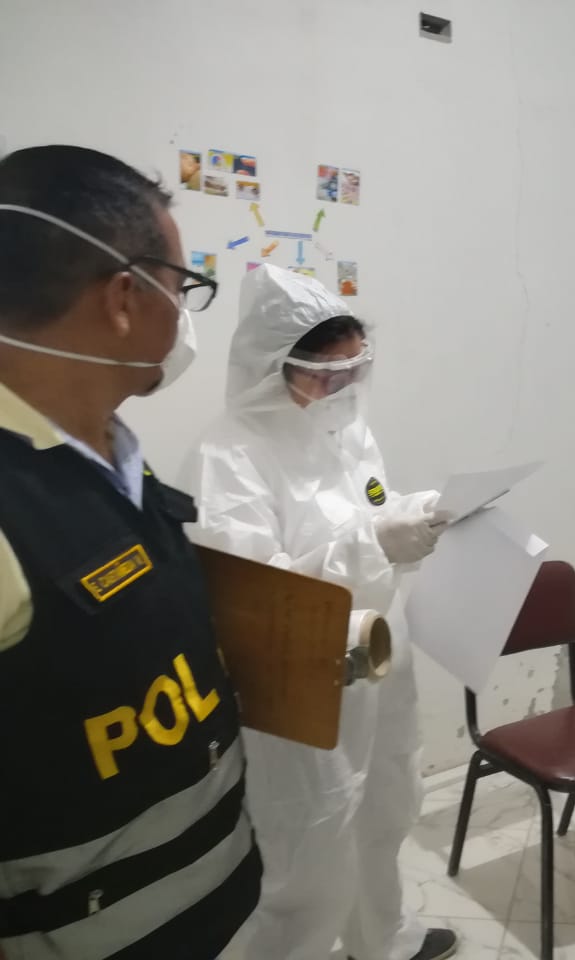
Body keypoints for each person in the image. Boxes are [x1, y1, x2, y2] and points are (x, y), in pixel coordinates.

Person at [0, 145, 260, 958]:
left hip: (205, 917)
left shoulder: (112, 458)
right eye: (181, 288)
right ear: (123, 298)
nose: (183, 315)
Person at [180, 264, 456, 960]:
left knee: (385, 809)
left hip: (377, 658)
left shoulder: (346, 429)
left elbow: (370, 506)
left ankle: (382, 941)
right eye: (328, 373)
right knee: (307, 850)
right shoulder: (228, 457)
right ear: (275, 364)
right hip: (301, 683)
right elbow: (256, 597)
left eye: (355, 370)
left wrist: (414, 513)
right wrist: (374, 544)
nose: (344, 387)